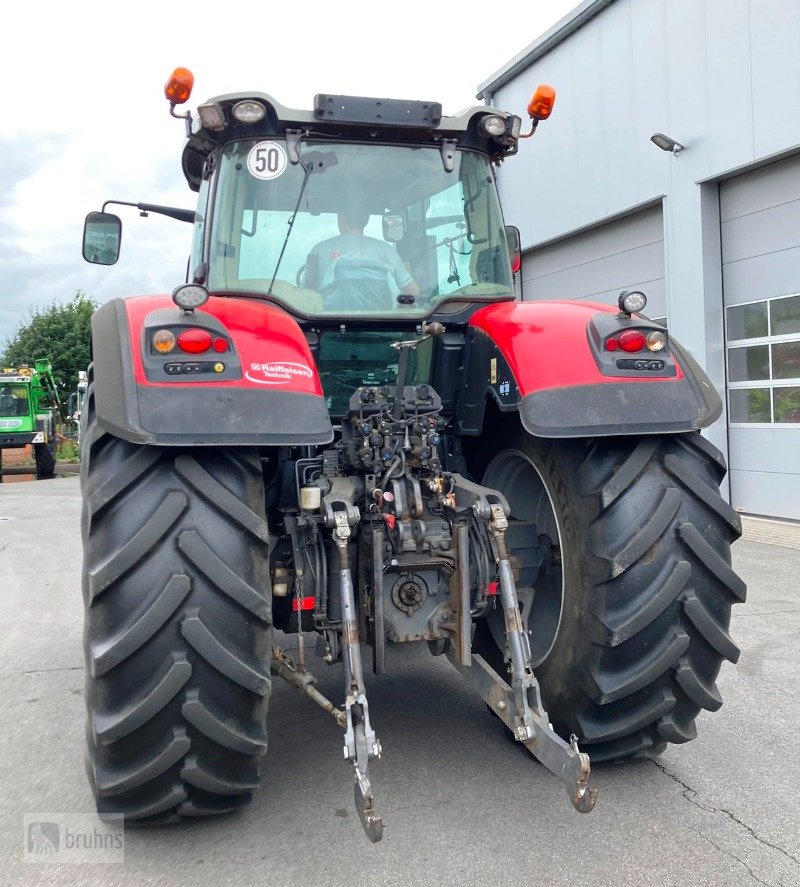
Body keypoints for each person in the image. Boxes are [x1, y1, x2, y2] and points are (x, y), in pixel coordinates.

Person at [304, 205, 419, 310]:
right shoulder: (386, 250)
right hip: (382, 327)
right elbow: (413, 291)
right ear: (366, 220)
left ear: (341, 218)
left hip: (327, 327)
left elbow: (307, 294)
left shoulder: (319, 250)